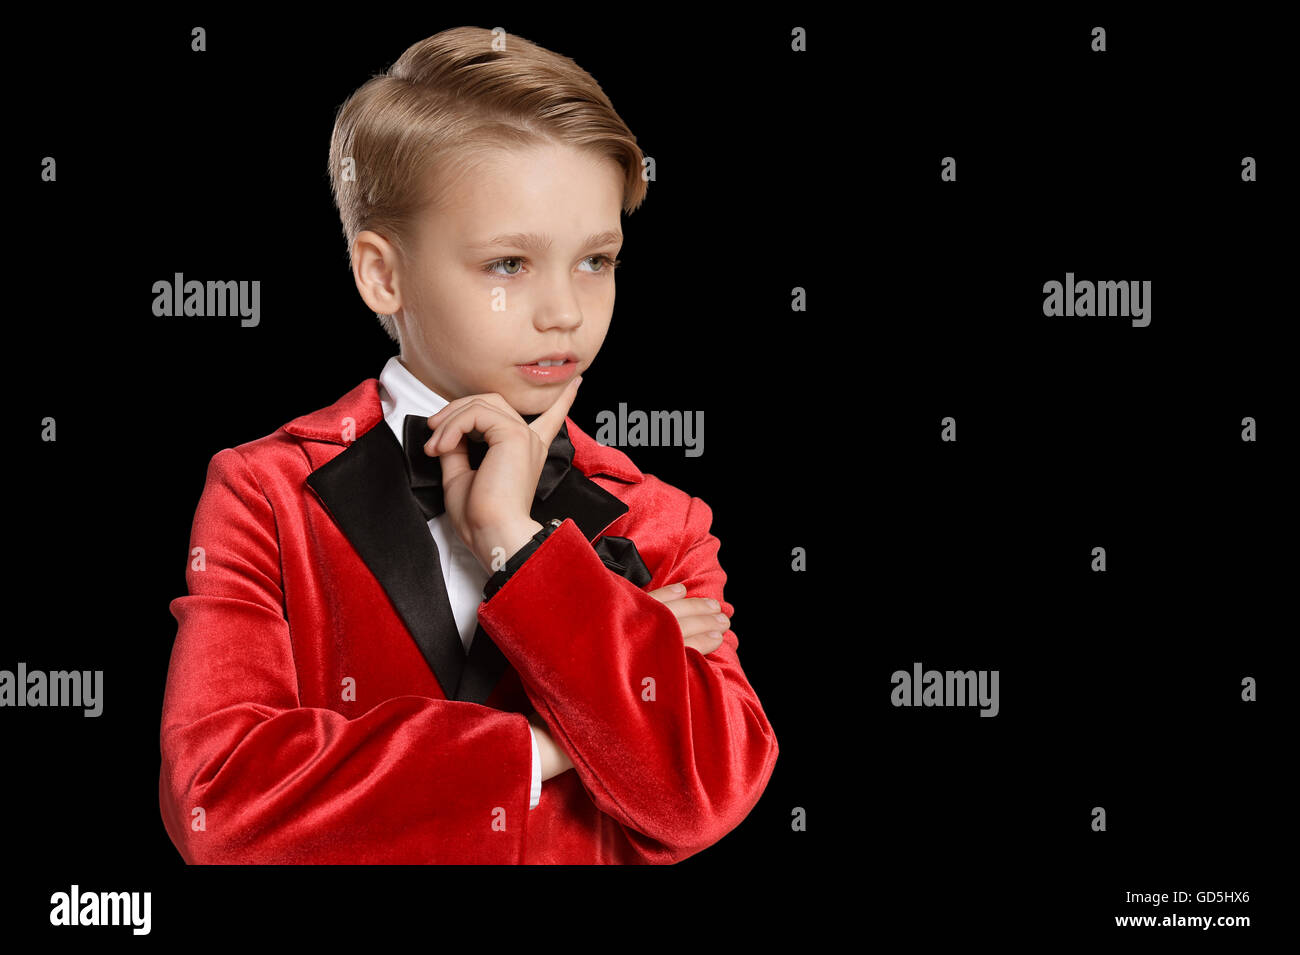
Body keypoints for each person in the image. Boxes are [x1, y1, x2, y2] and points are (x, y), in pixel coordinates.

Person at [158, 25, 778, 864]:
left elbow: (700, 796)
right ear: (383, 274)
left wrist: (516, 542)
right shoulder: (264, 491)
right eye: (509, 264)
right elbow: (220, 803)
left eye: (596, 260)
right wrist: (545, 745)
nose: (565, 311)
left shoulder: (666, 521)